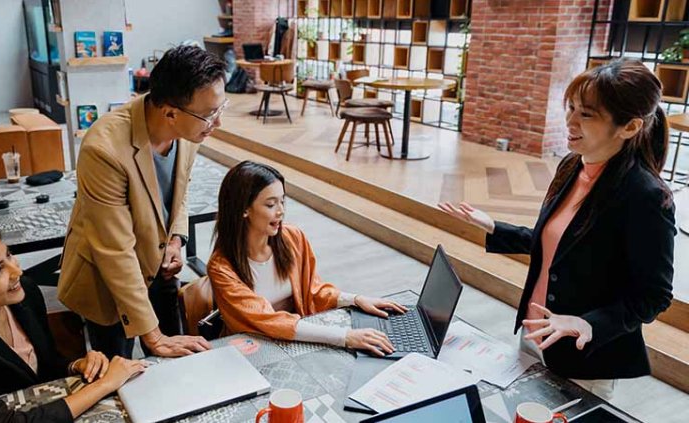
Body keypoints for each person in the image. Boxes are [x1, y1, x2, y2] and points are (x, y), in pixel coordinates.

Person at [439, 59, 675, 399]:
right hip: (535, 333)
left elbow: (654, 296)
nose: (569, 121)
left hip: (585, 357)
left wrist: (587, 323)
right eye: (571, 108)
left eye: (587, 114)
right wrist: (493, 226)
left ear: (630, 127)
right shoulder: (572, 166)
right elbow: (559, 244)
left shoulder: (646, 197)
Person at [58, 45, 228, 359]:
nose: (216, 123)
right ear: (170, 113)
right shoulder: (104, 149)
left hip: (160, 260)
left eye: (220, 109)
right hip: (108, 278)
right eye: (209, 114)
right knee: (118, 366)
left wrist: (176, 238)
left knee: (176, 361)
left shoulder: (189, 131)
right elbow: (114, 250)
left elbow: (179, 188)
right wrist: (153, 337)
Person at [0, 223, 146, 422]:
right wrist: (105, 385)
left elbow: (45, 365)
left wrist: (76, 365)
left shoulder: (25, 294)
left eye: (9, 254)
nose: (17, 271)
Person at [207, 161, 408, 356]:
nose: (281, 211)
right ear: (244, 209)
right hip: (254, 350)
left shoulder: (292, 238)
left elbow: (313, 291)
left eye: (282, 201)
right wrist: (345, 336)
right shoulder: (221, 267)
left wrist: (355, 299)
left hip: (293, 341)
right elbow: (266, 320)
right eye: (270, 204)